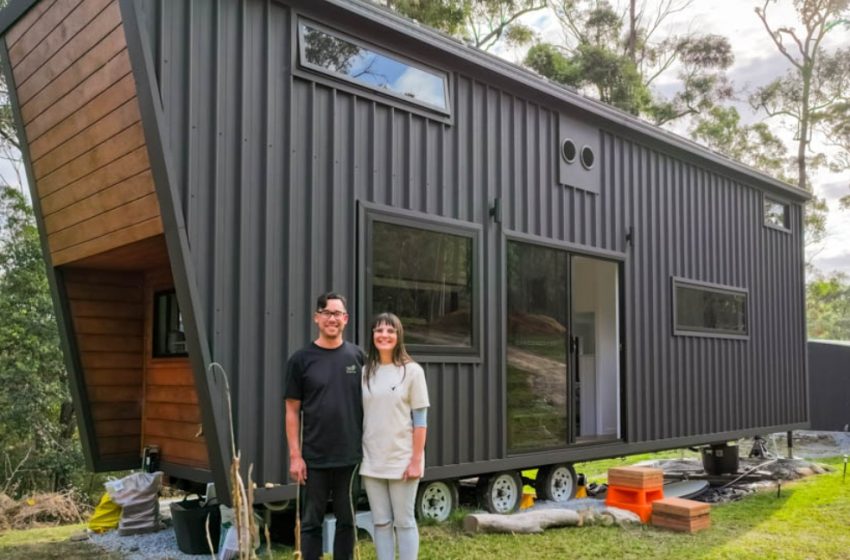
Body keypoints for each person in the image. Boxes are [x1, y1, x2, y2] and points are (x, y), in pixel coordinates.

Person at [284, 292, 364, 560]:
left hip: (350, 458)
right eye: (327, 313)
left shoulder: (358, 357)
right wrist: (296, 456)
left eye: (338, 314)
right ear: (317, 318)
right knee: (310, 523)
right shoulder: (300, 360)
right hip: (314, 459)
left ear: (346, 319)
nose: (333, 319)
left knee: (347, 522)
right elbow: (292, 411)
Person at [360, 312, 429, 560]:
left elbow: (420, 422)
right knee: (380, 522)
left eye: (390, 331)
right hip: (372, 461)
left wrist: (415, 460)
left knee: (404, 522)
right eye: (379, 330)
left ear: (399, 336)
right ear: (373, 335)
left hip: (402, 460)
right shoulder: (366, 371)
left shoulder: (412, 372)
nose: (384, 335)